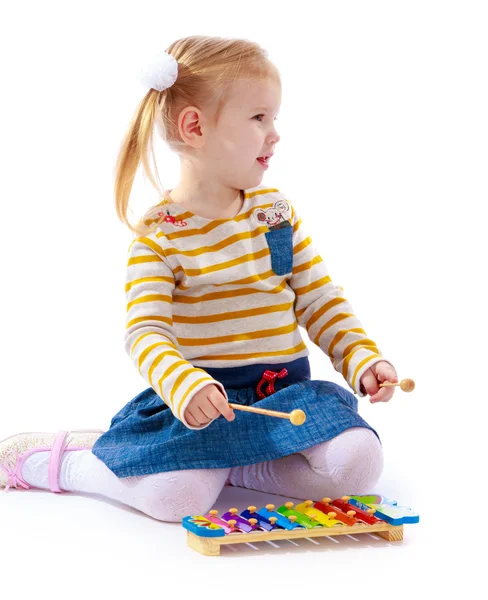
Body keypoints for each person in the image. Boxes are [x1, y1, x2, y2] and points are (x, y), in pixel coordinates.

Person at [0, 35, 399, 523]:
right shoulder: (159, 236)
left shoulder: (275, 216)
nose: (275, 134)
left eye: (273, 118)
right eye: (259, 118)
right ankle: (71, 465)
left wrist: (360, 356)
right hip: (204, 406)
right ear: (195, 127)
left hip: (285, 399)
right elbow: (146, 332)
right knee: (176, 500)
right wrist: (184, 384)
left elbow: (318, 299)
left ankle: (244, 469)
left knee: (360, 464)